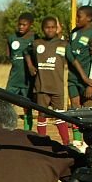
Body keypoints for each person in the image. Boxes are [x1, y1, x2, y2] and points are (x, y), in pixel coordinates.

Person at [30, 16, 71, 145]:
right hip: (41, 87)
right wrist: (31, 66)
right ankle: (42, 144)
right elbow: (26, 53)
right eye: (47, 27)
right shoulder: (37, 43)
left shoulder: (63, 44)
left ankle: (66, 143)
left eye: (53, 27)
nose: (50, 30)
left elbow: (73, 61)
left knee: (60, 116)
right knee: (42, 116)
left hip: (57, 87)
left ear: (57, 28)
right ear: (43, 29)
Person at [66, 5, 92, 146]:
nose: (76, 19)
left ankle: (89, 142)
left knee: (87, 112)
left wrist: (91, 81)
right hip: (73, 79)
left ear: (88, 18)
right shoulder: (74, 32)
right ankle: (77, 141)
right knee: (75, 109)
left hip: (88, 81)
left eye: (79, 16)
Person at [5, 12, 37, 130]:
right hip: (14, 78)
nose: (21, 27)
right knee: (7, 103)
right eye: (19, 24)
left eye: (24, 25)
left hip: (28, 80)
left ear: (31, 25)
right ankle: (7, 128)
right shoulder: (12, 37)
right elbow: (9, 55)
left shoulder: (35, 38)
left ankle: (27, 130)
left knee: (27, 106)